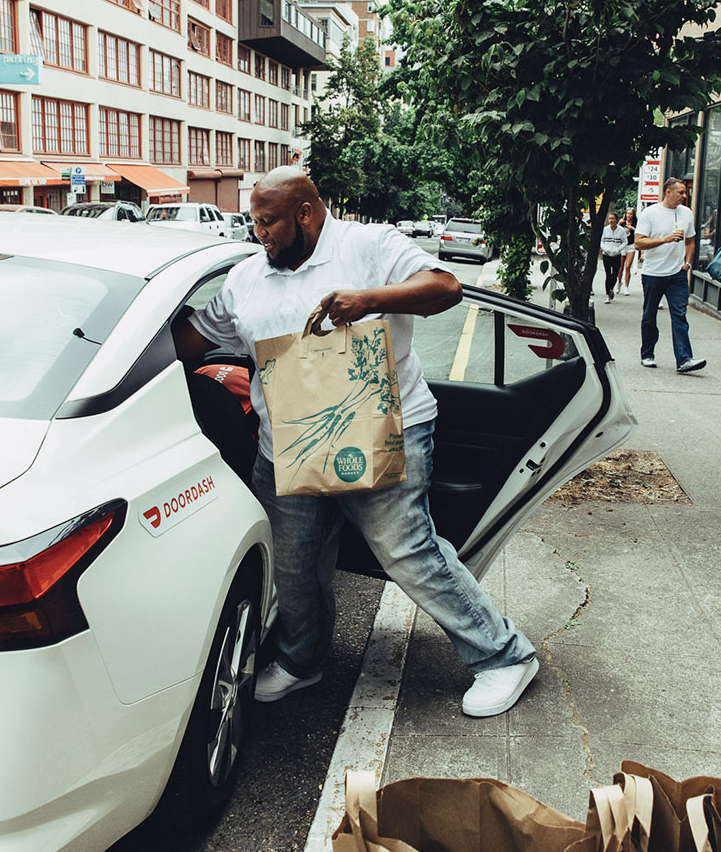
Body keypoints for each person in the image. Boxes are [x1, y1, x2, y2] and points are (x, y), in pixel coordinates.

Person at [173, 167, 539, 718]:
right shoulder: (246, 278)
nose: (259, 233)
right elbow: (194, 339)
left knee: (407, 551)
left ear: (305, 213)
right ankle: (302, 660)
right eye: (253, 222)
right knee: (294, 563)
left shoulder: (369, 245)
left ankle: (503, 656)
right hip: (288, 445)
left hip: (382, 428)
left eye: (268, 221)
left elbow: (446, 288)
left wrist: (369, 301)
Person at [634, 177, 706, 373]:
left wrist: (688, 263)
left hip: (677, 275)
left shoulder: (686, 213)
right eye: (681, 192)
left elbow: (690, 241)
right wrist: (665, 239)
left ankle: (684, 359)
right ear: (668, 192)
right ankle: (647, 354)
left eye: (684, 193)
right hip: (653, 273)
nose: (684, 196)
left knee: (680, 315)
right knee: (649, 316)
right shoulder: (650, 213)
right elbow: (639, 243)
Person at [600, 212, 627, 304]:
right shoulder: (605, 230)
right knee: (608, 274)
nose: (611, 220)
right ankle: (608, 294)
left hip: (616, 255)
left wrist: (618, 249)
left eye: (613, 219)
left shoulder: (621, 230)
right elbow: (601, 242)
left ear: (616, 220)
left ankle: (611, 288)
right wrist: (606, 249)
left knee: (615, 274)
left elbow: (624, 242)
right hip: (606, 254)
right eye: (610, 219)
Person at [616, 208, 637, 295]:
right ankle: (619, 282)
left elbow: (639, 232)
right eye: (627, 213)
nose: (629, 215)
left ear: (633, 215)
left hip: (631, 245)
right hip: (622, 246)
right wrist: (619, 224)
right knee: (620, 268)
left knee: (628, 266)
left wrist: (631, 228)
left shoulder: (636, 223)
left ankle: (626, 286)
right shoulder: (622, 222)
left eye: (631, 214)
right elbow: (615, 230)